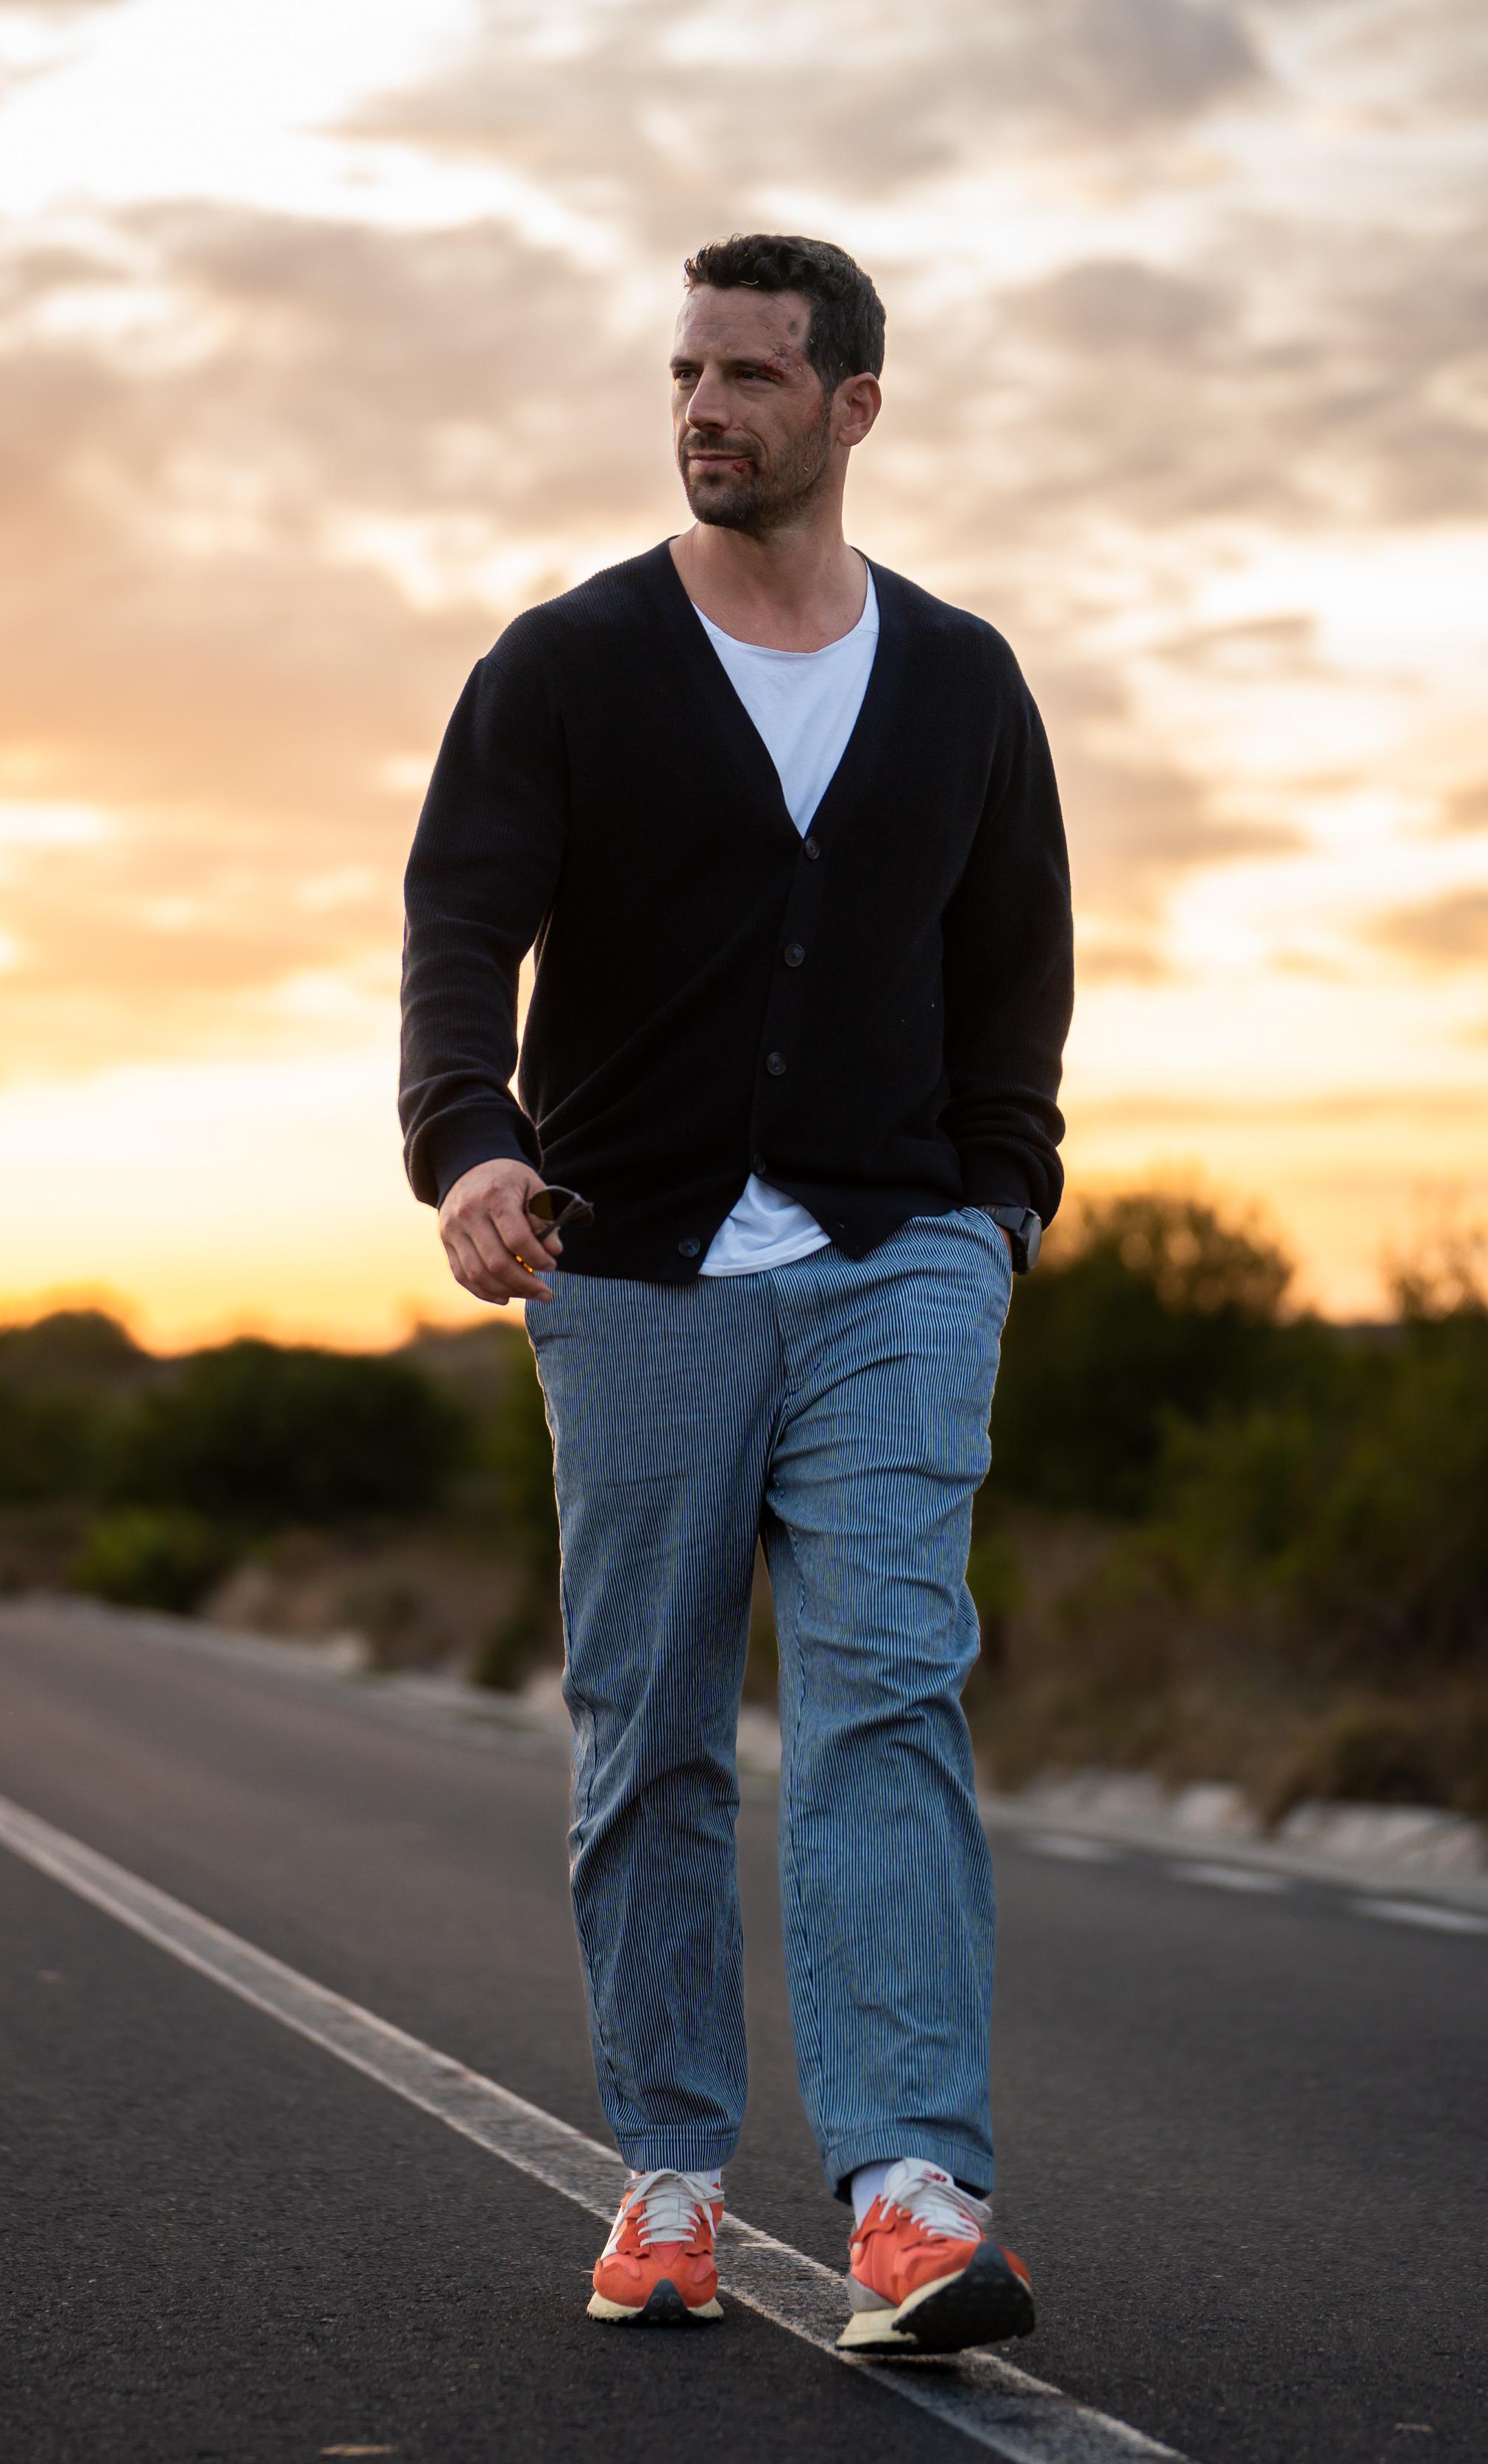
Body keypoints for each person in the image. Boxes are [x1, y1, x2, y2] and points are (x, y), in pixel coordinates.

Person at [400, 233, 1070, 2353]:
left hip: (897, 1256)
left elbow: (1015, 970)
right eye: (688, 371)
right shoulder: (566, 663)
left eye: (754, 376)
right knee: (655, 1730)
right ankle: (672, 2175)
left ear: (852, 406)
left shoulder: (961, 679)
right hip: (634, 1271)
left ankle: (911, 2197)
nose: (706, 407)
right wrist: (472, 1141)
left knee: (886, 1697)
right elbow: (458, 928)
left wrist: (999, 1206)